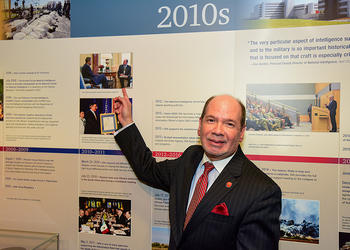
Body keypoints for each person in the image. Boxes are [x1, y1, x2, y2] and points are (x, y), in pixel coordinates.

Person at [114, 89, 281, 249]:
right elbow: (148, 170)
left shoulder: (262, 192)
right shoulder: (190, 158)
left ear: (241, 132)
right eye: (211, 120)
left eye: (229, 124)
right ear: (200, 125)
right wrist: (127, 122)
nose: (217, 130)